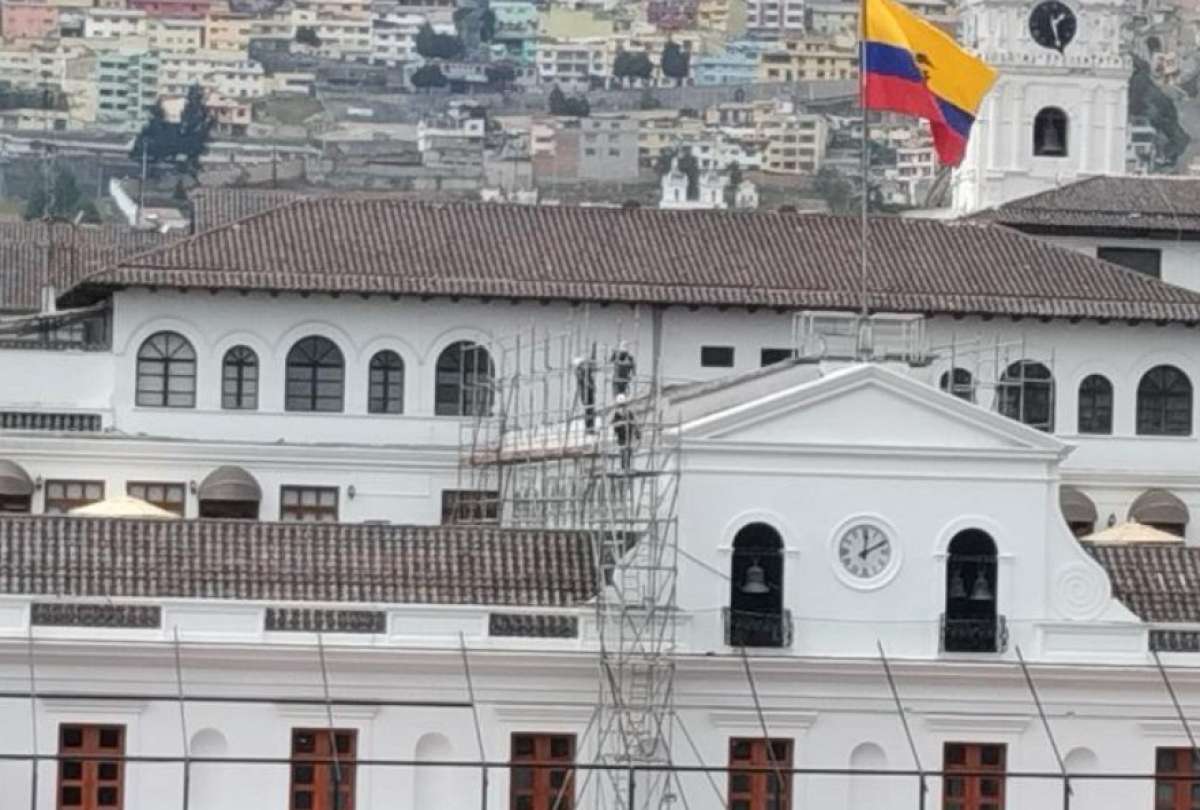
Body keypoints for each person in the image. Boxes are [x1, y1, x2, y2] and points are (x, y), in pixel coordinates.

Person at [612, 393, 640, 470]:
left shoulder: (629, 413)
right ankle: (624, 468)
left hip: (628, 437)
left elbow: (634, 423)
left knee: (628, 452)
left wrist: (637, 433)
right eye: (621, 406)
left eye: (623, 405)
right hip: (621, 438)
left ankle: (626, 468)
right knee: (623, 453)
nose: (622, 407)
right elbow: (614, 426)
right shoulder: (617, 415)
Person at [573, 356, 597, 433]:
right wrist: (591, 386)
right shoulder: (580, 372)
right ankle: (589, 429)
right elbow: (585, 381)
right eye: (582, 363)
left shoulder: (583, 371)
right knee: (589, 410)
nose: (584, 364)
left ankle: (590, 428)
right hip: (586, 393)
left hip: (587, 392)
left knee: (590, 410)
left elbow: (591, 366)